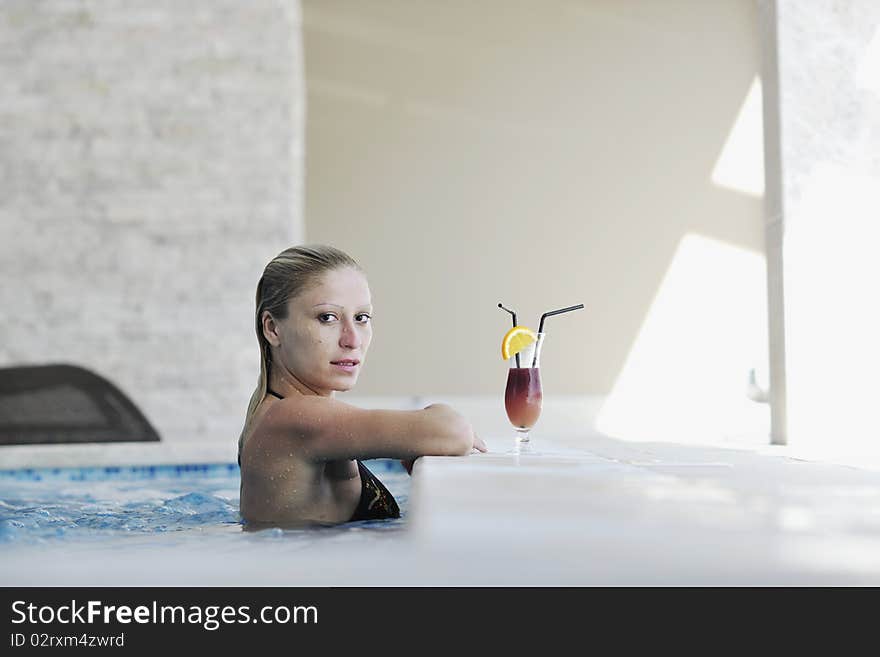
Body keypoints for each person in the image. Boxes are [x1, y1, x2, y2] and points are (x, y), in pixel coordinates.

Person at [238, 244, 486, 527]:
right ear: (272, 328)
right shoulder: (293, 416)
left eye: (361, 318)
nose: (352, 340)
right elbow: (453, 433)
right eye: (327, 317)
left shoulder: (279, 413)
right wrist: (434, 416)